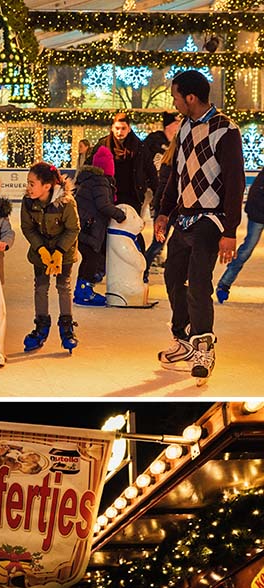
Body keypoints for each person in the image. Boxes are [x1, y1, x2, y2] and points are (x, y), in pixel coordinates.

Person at [154, 69, 245, 381]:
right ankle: (183, 339)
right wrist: (164, 212)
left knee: (199, 281)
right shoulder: (185, 128)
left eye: (176, 96)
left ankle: (204, 345)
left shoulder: (225, 129)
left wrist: (230, 230)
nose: (174, 101)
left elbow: (235, 182)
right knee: (172, 276)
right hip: (184, 215)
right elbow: (177, 175)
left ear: (190, 97)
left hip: (210, 218)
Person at [21, 161, 81, 352]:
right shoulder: (28, 202)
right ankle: (41, 325)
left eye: (32, 183)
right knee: (41, 287)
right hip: (41, 253)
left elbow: (73, 229)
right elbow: (28, 228)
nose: (28, 187)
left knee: (63, 286)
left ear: (47, 186)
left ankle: (66, 326)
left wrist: (59, 252)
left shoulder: (66, 202)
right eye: (28, 182)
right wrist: (42, 250)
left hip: (65, 252)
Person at [73, 144, 126, 306]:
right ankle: (85, 291)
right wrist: (119, 215)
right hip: (90, 227)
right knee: (92, 258)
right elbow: (103, 205)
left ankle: (82, 289)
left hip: (84, 226)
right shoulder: (100, 181)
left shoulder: (90, 180)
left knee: (90, 258)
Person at [143, 112, 183, 272]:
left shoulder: (171, 151)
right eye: (176, 123)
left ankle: (154, 261)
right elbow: (164, 184)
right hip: (160, 199)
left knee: (163, 239)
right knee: (159, 239)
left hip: (169, 203)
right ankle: (145, 266)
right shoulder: (157, 145)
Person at [215, 172, 263, 303]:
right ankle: (224, 284)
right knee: (246, 250)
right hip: (259, 213)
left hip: (257, 210)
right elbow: (256, 195)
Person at [99, 113, 152, 229]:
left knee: (132, 229)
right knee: (108, 229)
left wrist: (156, 193)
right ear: (112, 128)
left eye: (123, 128)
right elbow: (91, 168)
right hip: (109, 196)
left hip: (133, 195)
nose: (120, 132)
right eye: (117, 128)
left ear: (129, 129)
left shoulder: (139, 147)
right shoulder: (103, 146)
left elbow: (149, 169)